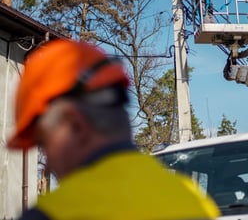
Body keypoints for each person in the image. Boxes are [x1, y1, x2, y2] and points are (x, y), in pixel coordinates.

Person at [7, 39, 220, 220]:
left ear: (75, 124)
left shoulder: (53, 214)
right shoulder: (195, 201)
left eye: (44, 143)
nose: (48, 164)